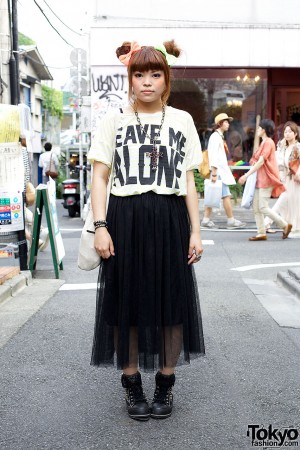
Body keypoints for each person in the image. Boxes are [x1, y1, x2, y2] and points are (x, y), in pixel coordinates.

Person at [88, 40, 205, 421]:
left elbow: (189, 181)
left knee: (172, 304)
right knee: (127, 305)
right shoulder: (113, 121)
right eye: (139, 74)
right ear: (130, 79)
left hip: (170, 219)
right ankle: (132, 384)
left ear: (167, 79)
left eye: (156, 74)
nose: (147, 82)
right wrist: (102, 226)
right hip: (125, 218)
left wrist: (195, 231)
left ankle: (166, 386)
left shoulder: (182, 121)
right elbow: (100, 176)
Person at [238, 119, 292, 241]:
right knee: (256, 207)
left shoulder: (268, 143)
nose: (257, 130)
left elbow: (261, 162)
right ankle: (261, 232)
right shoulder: (264, 143)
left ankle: (284, 225)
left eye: (259, 128)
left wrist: (246, 175)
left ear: (263, 130)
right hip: (259, 180)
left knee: (262, 207)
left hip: (266, 180)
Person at [201, 113, 246, 229]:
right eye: (226, 122)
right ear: (220, 124)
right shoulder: (216, 137)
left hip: (219, 172)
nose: (228, 124)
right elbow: (213, 156)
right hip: (218, 172)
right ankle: (230, 220)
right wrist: (214, 173)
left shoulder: (218, 136)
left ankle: (206, 220)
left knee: (212, 194)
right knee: (225, 195)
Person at [264, 121, 300, 238]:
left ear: (295, 134)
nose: (287, 134)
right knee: (285, 205)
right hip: (285, 180)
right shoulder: (282, 146)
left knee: (292, 205)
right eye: (285, 131)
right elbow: (277, 162)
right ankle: (286, 226)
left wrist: (298, 174)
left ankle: (266, 224)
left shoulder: (298, 147)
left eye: (290, 132)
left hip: (295, 180)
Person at [20, 137, 49, 252]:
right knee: (20, 214)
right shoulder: (23, 151)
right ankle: (39, 233)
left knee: (17, 218)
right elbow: (27, 174)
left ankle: (36, 237)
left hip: (12, 190)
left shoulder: (12, 150)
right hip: (20, 190)